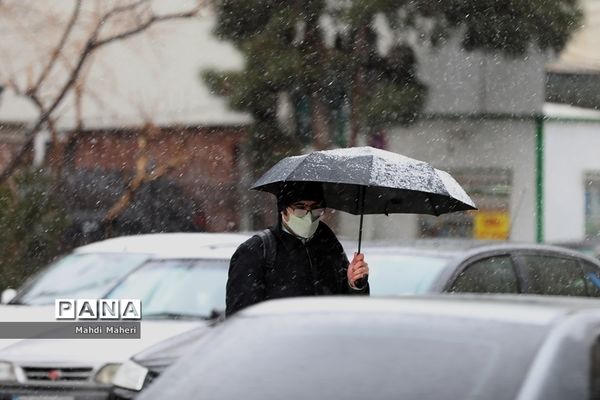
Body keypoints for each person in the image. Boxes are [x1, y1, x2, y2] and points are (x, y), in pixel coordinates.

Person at [226, 181, 369, 316]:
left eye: (315, 209)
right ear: (283, 210)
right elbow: (239, 321)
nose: (308, 216)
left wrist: (355, 285)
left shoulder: (330, 246)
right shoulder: (256, 251)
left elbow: (351, 310)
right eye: (300, 208)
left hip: (327, 339)